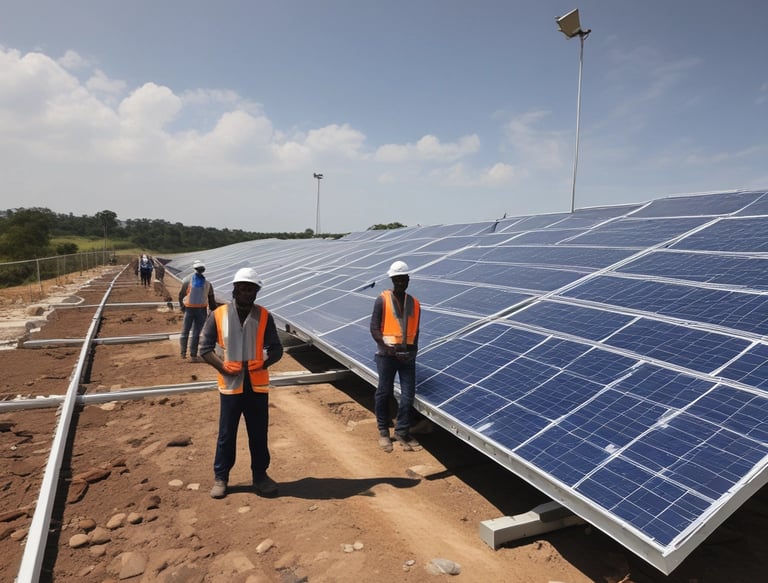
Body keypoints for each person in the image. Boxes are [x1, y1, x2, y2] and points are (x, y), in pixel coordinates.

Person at [199, 267, 284, 499]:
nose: (248, 293)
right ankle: (221, 477)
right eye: (244, 289)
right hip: (230, 387)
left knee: (258, 433)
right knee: (227, 433)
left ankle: (260, 476)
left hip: (257, 386)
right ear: (235, 290)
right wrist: (223, 367)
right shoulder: (217, 315)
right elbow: (204, 350)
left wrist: (264, 364)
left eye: (252, 290)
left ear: (257, 292)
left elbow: (277, 349)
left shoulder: (264, 316)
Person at [370, 260, 421, 453]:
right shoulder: (382, 300)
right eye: (397, 279)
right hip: (386, 356)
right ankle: (384, 431)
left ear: (408, 280)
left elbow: (416, 331)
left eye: (403, 279)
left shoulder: (415, 303)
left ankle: (402, 431)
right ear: (392, 280)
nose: (400, 282)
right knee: (384, 392)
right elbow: (374, 328)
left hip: (407, 356)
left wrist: (413, 351)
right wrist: (387, 347)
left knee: (408, 395)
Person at [178, 260, 217, 362]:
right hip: (201, 310)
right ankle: (193, 355)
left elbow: (181, 295)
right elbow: (212, 301)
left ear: (194, 269)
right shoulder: (208, 284)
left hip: (189, 309)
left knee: (185, 331)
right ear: (203, 270)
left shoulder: (187, 282)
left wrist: (182, 307)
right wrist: (214, 312)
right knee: (196, 333)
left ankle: (182, 353)